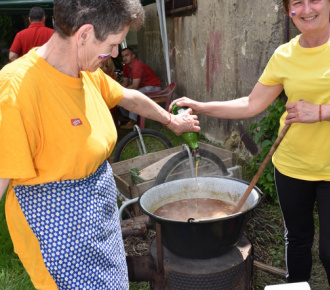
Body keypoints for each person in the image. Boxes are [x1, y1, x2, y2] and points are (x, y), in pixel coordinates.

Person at [0, 0, 199, 289]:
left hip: (101, 221)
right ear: (83, 35)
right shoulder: (15, 91)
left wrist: (171, 121)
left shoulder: (88, 73)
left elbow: (129, 97)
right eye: (114, 44)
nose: (116, 54)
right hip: (61, 239)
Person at [170, 1, 330, 289]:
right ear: (289, 9)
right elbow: (252, 103)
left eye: (314, 0)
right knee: (297, 239)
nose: (306, 9)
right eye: (297, 3)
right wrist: (202, 106)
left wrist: (320, 112)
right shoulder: (285, 54)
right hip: (291, 167)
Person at [119, 47, 162, 129]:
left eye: (127, 55)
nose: (124, 58)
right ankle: (128, 118)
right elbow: (125, 82)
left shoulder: (137, 65)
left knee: (133, 96)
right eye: (123, 56)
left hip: (153, 87)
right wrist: (117, 91)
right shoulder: (126, 67)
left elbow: (134, 86)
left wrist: (123, 92)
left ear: (133, 56)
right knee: (121, 96)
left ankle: (132, 122)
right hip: (143, 88)